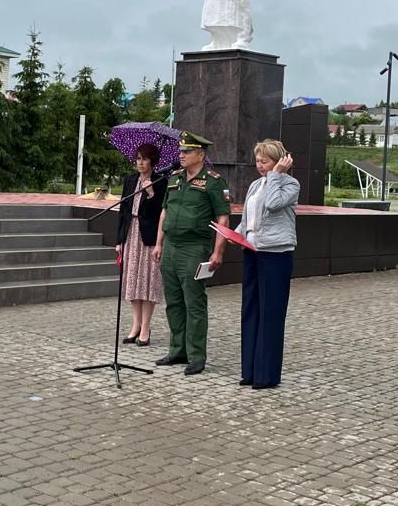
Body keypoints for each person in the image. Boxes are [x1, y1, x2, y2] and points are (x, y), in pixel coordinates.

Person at [153, 130, 231, 376]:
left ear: (201, 154)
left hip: (194, 248)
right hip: (171, 247)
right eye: (181, 151)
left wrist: (218, 251)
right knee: (173, 302)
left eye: (187, 151)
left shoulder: (213, 181)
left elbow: (223, 217)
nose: (182, 155)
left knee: (194, 303)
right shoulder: (174, 178)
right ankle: (178, 349)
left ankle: (196, 356)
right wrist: (158, 244)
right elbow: (164, 212)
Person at [236, 140, 300, 390]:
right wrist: (235, 233)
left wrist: (276, 175)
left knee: (270, 314)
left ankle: (267, 374)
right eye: (258, 161)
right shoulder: (255, 184)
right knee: (250, 309)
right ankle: (250, 370)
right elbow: (249, 217)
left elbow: (273, 204)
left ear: (279, 162)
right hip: (252, 250)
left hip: (276, 253)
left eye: (265, 162)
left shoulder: (290, 184)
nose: (260, 166)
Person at [116, 143, 166, 346]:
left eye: (144, 159)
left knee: (147, 283)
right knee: (133, 282)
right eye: (138, 158)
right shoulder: (130, 181)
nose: (140, 163)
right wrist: (119, 240)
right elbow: (123, 211)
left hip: (149, 237)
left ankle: (146, 327)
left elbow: (162, 212)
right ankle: (135, 325)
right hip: (131, 235)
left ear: (152, 161)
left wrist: (152, 194)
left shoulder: (161, 181)